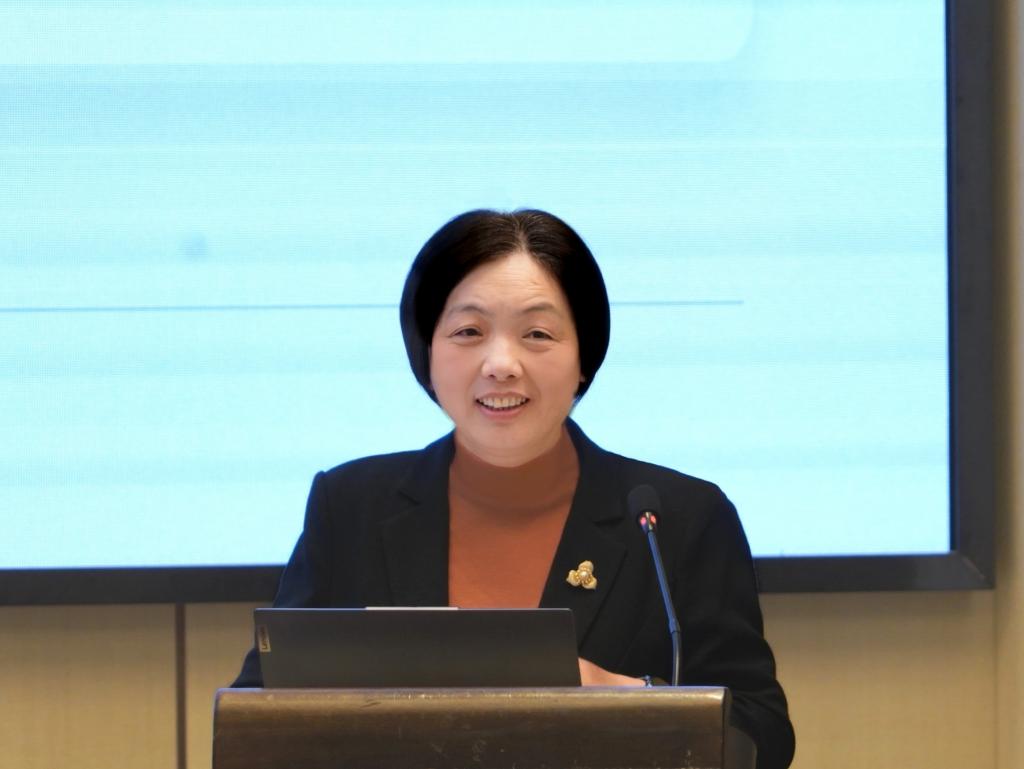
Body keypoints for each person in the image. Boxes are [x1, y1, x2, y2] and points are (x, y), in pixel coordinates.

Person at [232, 209, 795, 769]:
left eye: (537, 334)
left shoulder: (680, 519)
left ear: (584, 357)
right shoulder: (351, 505)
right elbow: (255, 718)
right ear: (426, 353)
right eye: (468, 332)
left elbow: (762, 734)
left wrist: (630, 695)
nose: (501, 364)